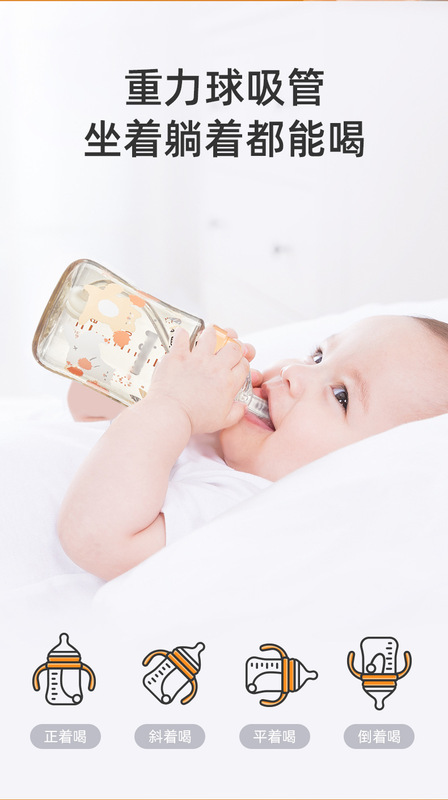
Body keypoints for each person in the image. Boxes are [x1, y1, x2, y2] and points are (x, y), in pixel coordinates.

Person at [58, 315, 448, 581]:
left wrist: (171, 405)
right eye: (318, 355)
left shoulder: (245, 505)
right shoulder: (217, 429)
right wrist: (153, 379)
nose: (295, 371)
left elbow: (95, 538)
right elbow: (82, 408)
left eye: (341, 395)